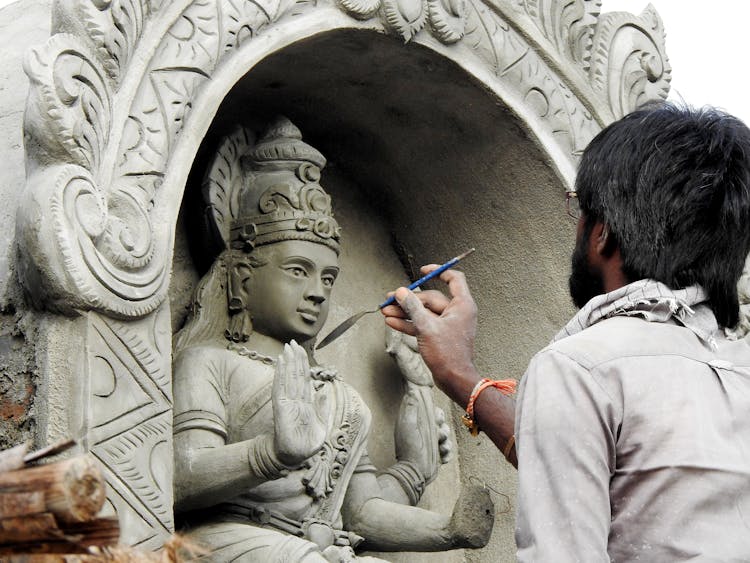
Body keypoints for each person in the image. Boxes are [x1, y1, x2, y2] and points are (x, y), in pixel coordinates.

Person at [382, 103, 750, 561]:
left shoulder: (583, 367)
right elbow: (588, 461)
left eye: (579, 207)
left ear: (604, 232)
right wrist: (460, 375)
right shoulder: (737, 364)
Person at [172, 117, 493, 562]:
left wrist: (439, 514)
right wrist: (272, 452)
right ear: (242, 278)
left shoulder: (341, 398)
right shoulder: (208, 363)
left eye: (328, 277)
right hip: (224, 543)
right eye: (298, 270)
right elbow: (178, 477)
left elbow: (360, 514)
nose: (318, 290)